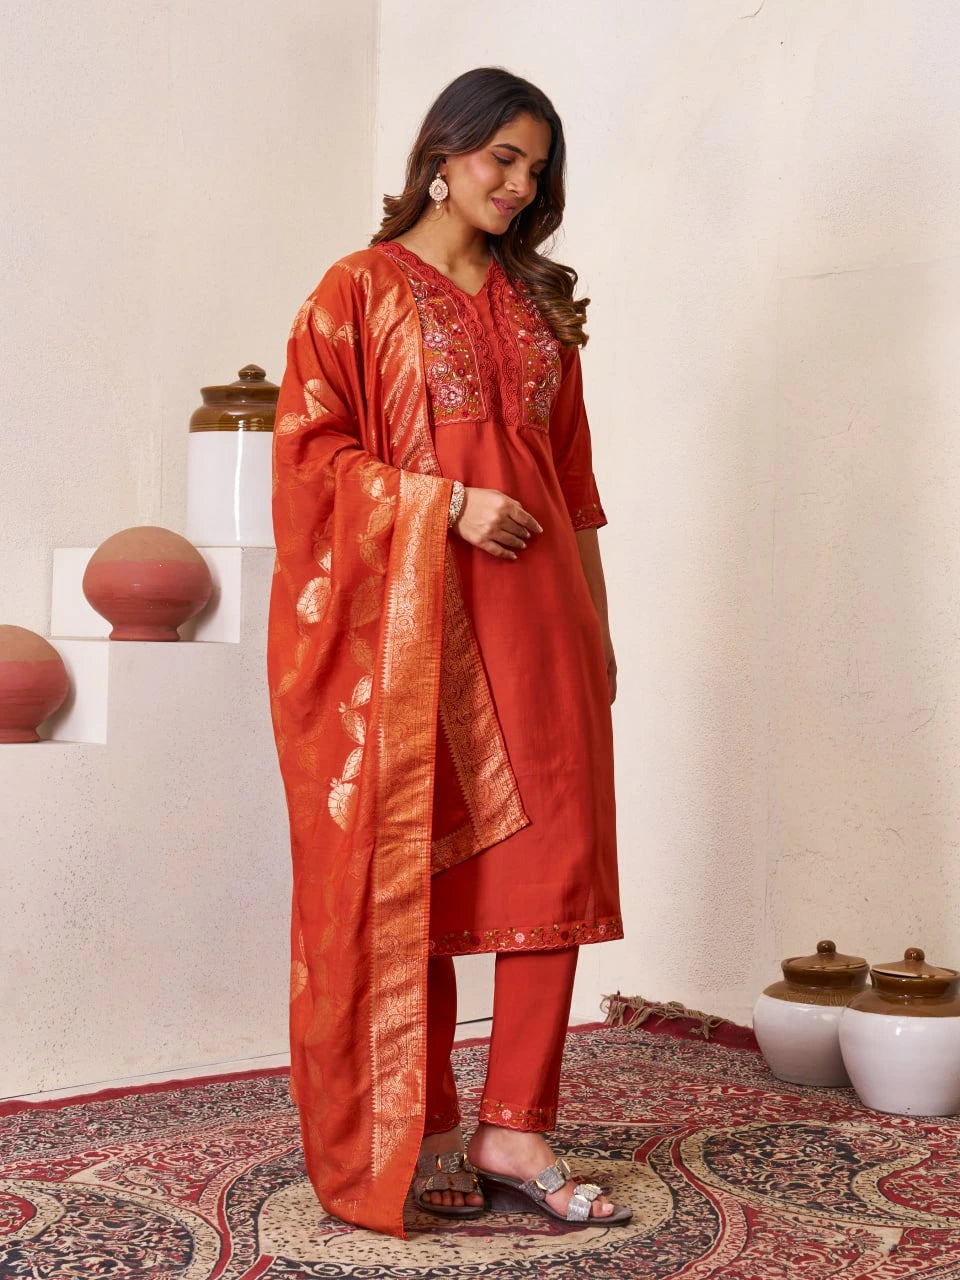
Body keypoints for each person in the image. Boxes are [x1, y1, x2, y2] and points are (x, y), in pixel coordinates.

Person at [268, 66, 629, 1239]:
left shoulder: (538, 312)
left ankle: (515, 1125)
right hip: (413, 634)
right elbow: (309, 460)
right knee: (413, 870)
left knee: (556, 869)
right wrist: (443, 506)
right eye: (502, 160)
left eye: (537, 170)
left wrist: (601, 625)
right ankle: (416, 1125)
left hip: (544, 624)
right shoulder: (358, 292)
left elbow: (573, 490)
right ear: (444, 151)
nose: (520, 187)